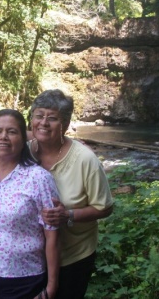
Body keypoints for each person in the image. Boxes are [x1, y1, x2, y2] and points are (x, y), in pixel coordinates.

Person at [29, 89, 114, 299]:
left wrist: (68, 215)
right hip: (32, 257)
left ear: (65, 125)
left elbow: (104, 207)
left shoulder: (85, 160)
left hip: (73, 256)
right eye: (39, 116)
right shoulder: (24, 152)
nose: (44, 123)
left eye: (53, 118)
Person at [0, 109, 60, 299]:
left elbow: (52, 236)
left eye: (11, 132)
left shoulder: (39, 178)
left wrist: (52, 287)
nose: (3, 137)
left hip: (23, 277)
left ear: (23, 139)